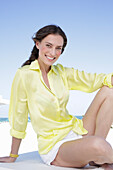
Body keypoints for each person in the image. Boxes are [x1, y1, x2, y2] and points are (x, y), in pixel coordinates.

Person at [0, 24, 113, 169]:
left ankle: (97, 158)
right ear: (37, 44)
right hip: (55, 146)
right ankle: (99, 154)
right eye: (48, 45)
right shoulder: (24, 75)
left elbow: (94, 80)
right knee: (99, 145)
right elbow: (19, 115)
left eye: (58, 48)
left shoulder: (62, 72)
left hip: (77, 130)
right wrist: (13, 155)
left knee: (109, 90)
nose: (53, 53)